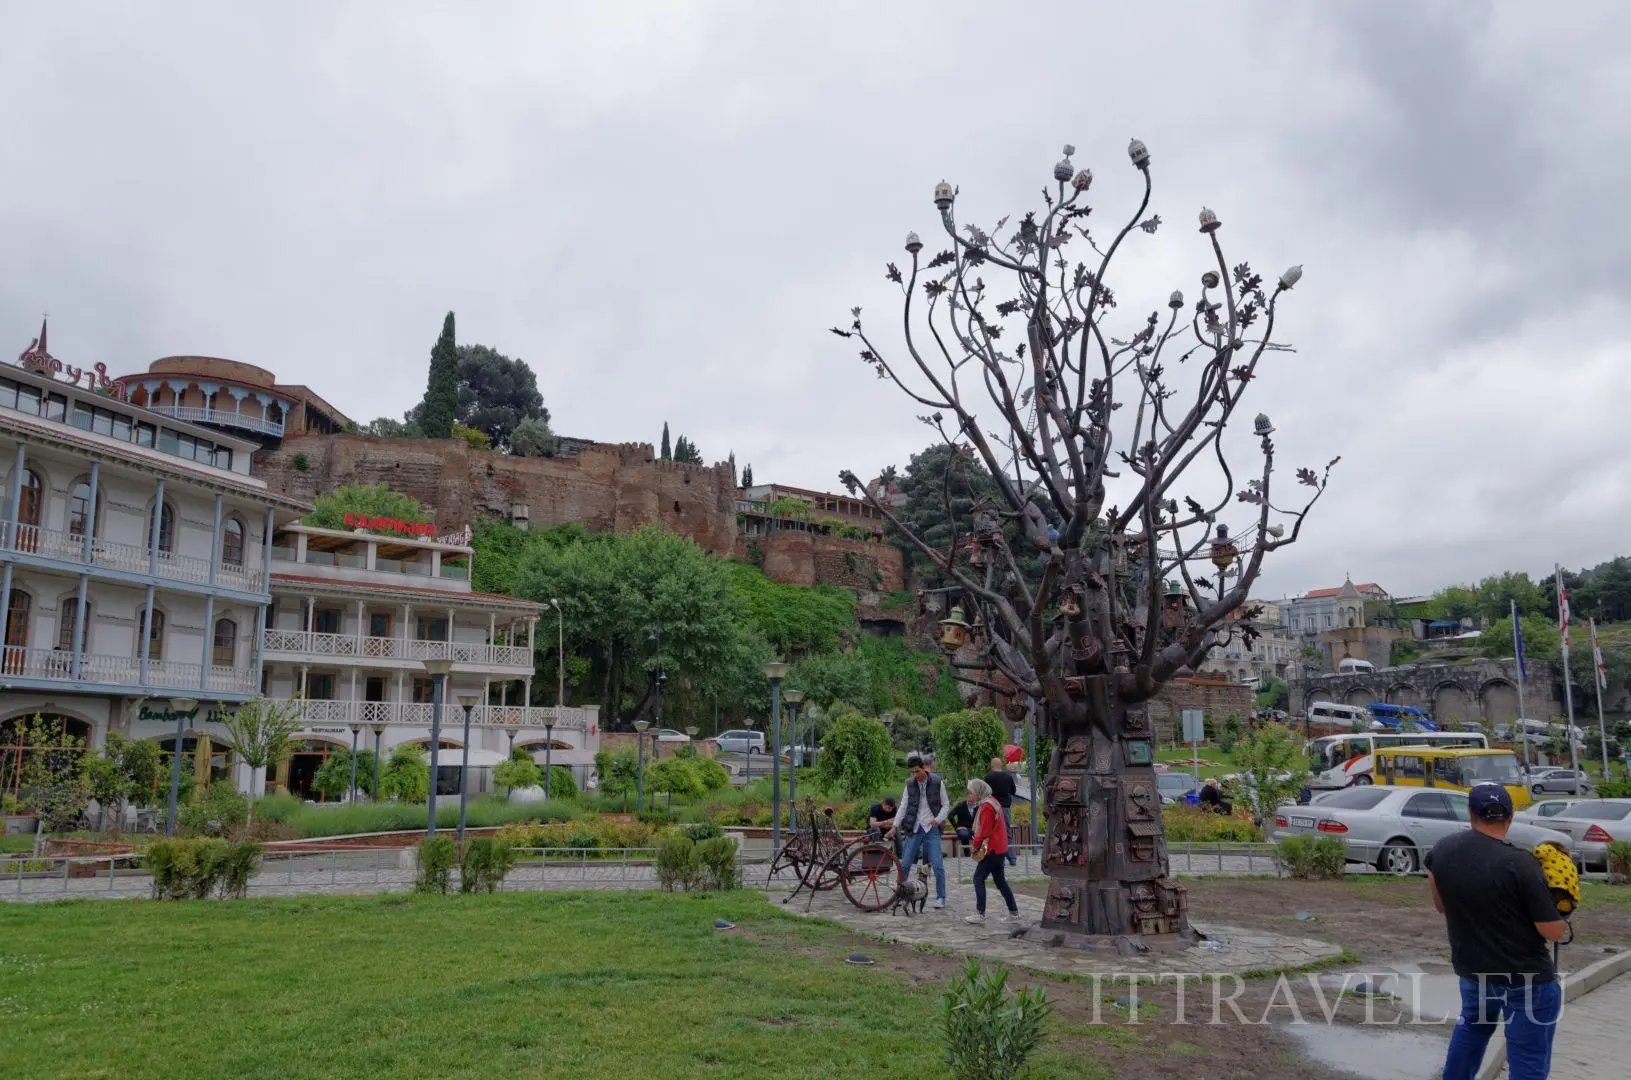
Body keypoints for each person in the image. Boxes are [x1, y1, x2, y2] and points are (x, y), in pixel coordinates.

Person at [1426, 783, 1567, 1080]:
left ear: (1471, 814)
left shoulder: (1441, 851)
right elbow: (1552, 932)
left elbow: (1441, 905)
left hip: (1474, 972)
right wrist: (1562, 908)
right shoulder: (1520, 863)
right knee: (1527, 1058)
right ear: (1510, 816)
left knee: (1470, 1036)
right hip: (1526, 978)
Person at [892, 752, 949, 909]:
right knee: (905, 864)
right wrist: (895, 826)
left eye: (917, 771)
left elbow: (946, 804)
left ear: (924, 768)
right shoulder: (909, 784)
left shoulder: (937, 782)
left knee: (937, 864)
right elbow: (903, 806)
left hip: (932, 828)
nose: (915, 775)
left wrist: (938, 820)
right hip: (915, 827)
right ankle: (902, 896)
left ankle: (941, 897)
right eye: (912, 772)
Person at [962, 778, 1020, 925]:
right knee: (1000, 880)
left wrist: (975, 846)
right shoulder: (993, 801)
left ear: (978, 792)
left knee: (978, 878)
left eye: (972, 792)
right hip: (1000, 847)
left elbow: (983, 831)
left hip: (992, 849)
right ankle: (1013, 912)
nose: (970, 795)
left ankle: (980, 913)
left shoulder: (987, 807)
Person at [984, 756, 1019, 866]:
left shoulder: (989, 777)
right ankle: (1012, 857)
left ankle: (996, 857)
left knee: (992, 831)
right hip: (1005, 808)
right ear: (1001, 766)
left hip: (992, 807)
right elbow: (1013, 791)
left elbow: (985, 792)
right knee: (1006, 831)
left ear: (991, 766)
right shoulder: (1008, 777)